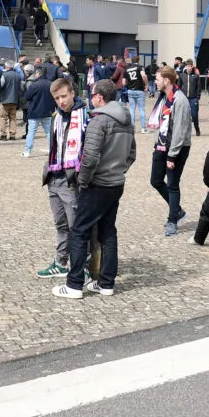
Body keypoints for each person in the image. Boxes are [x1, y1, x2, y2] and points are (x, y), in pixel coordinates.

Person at [56, 81, 136, 300]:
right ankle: (105, 283)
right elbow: (131, 154)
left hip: (97, 184)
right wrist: (119, 171)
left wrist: (83, 181)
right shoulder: (127, 121)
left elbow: (90, 158)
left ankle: (73, 285)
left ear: (99, 97)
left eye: (92, 95)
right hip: (116, 183)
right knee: (108, 231)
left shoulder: (98, 121)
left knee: (80, 231)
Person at [37, 78, 89, 279]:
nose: (61, 101)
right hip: (54, 175)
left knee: (76, 225)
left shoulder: (85, 116)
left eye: (64, 96)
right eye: (57, 98)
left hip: (72, 180)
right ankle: (60, 262)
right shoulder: (56, 117)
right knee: (60, 224)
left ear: (72, 93)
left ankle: (81, 266)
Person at [149, 66, 192, 237]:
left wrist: (172, 155)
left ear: (166, 81)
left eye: (158, 79)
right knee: (155, 180)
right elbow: (161, 123)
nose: (156, 82)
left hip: (177, 147)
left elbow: (180, 131)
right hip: (162, 144)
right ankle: (178, 210)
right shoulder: (164, 97)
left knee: (173, 184)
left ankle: (172, 220)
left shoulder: (179, 100)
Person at [21, 67, 53, 157]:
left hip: (34, 111)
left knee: (31, 132)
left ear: (38, 73)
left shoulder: (34, 85)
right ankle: (53, 150)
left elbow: (27, 97)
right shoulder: (51, 84)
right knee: (49, 132)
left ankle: (27, 151)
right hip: (47, 111)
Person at [0, 58, 23, 141]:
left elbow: (0, 86)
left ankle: (3, 134)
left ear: (6, 66)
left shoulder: (4, 75)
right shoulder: (18, 76)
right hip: (15, 100)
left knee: (2, 118)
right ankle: (12, 135)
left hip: (5, 99)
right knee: (13, 118)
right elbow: (21, 88)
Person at [124, 57, 148, 133]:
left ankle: (132, 128)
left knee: (131, 109)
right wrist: (146, 85)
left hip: (130, 90)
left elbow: (123, 82)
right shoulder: (139, 67)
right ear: (138, 60)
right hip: (139, 90)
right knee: (141, 109)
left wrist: (129, 83)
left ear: (132, 61)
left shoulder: (127, 69)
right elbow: (144, 76)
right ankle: (143, 128)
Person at [181, 62, 204, 137]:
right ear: (186, 67)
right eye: (188, 66)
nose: (189, 68)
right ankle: (184, 131)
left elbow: (198, 87)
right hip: (184, 99)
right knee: (184, 115)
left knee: (194, 115)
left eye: (191, 66)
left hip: (193, 99)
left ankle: (197, 129)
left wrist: (198, 97)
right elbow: (178, 86)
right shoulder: (182, 75)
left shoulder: (196, 76)